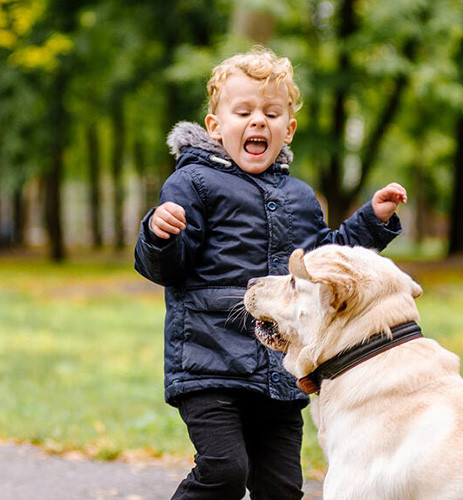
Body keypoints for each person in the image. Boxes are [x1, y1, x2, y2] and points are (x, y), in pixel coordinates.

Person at [133, 47, 408, 500]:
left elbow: (324, 262)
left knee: (282, 488)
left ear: (289, 128)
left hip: (280, 370)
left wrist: (372, 221)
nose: (258, 121)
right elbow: (167, 269)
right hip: (210, 362)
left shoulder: (301, 196)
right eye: (243, 111)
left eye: (271, 113)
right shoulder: (193, 184)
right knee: (224, 471)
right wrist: (159, 236)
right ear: (215, 127)